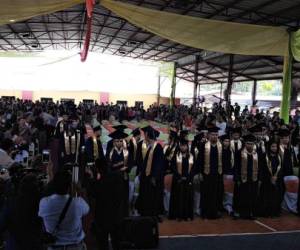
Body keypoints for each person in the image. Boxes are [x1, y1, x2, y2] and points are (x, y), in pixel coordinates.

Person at [39, 170, 89, 250]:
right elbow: (87, 209)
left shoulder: (44, 203)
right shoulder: (77, 203)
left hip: (54, 246)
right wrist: (80, 191)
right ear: (70, 186)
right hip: (75, 246)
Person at [88, 159, 124, 250]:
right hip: (116, 216)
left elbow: (92, 192)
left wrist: (92, 177)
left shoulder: (99, 183)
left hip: (102, 219)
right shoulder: (118, 178)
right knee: (117, 243)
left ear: (97, 169)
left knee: (103, 244)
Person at [0, 174, 43, 250]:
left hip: (14, 243)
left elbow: (2, 223)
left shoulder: (12, 203)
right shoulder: (41, 203)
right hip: (34, 243)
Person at [136, 126, 164, 220]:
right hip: (147, 177)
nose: (144, 137)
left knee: (153, 196)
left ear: (148, 135)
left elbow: (159, 164)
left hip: (153, 178)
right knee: (147, 195)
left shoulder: (158, 147)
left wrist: (154, 176)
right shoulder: (150, 147)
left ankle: (153, 215)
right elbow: (145, 163)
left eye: (145, 135)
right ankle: (147, 213)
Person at [197, 126, 224, 219]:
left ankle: (214, 212)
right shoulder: (204, 146)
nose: (215, 136)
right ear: (209, 135)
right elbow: (199, 160)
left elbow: (223, 161)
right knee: (206, 193)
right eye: (213, 134)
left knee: (216, 193)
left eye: (216, 135)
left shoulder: (221, 146)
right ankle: (205, 213)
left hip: (217, 174)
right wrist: (200, 173)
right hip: (206, 174)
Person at [234, 134, 260, 219]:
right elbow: (236, 166)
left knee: (252, 195)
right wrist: (237, 178)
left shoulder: (256, 153)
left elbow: (260, 166)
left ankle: (251, 213)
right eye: (248, 143)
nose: (250, 145)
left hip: (253, 177)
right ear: (245, 143)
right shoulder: (239, 153)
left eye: (251, 144)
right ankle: (240, 213)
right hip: (242, 177)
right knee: (241, 195)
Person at [106, 130, 130, 217]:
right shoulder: (110, 152)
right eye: (117, 141)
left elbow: (129, 164)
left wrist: (126, 168)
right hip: (114, 180)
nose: (119, 143)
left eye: (120, 141)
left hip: (124, 179)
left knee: (124, 198)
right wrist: (120, 168)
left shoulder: (126, 152)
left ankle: (124, 215)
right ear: (113, 142)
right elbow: (109, 166)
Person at [169, 139, 194, 220]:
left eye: (185, 146)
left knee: (187, 198)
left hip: (188, 180)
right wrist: (179, 176)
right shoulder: (176, 155)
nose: (183, 147)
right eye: (182, 146)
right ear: (180, 146)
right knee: (178, 197)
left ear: (187, 146)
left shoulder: (191, 156)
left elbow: (193, 168)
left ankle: (186, 215)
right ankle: (177, 215)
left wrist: (188, 177)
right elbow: (173, 167)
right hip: (178, 180)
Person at [258, 140, 283, 217]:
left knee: (275, 197)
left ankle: (274, 212)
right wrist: (269, 178)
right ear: (269, 147)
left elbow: (280, 168)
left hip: (276, 179)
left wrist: (276, 177)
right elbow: (261, 168)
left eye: (275, 146)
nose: (274, 148)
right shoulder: (264, 156)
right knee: (266, 196)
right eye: (272, 146)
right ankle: (266, 212)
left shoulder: (278, 157)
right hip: (266, 180)